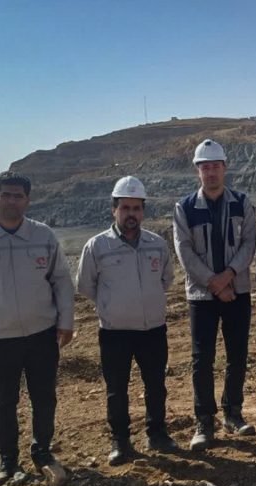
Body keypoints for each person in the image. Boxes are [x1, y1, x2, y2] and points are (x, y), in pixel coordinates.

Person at [0, 170, 74, 486]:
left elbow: (61, 280)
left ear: (27, 200)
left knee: (44, 398)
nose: (11, 201)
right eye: (5, 195)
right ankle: (7, 460)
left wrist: (66, 321)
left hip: (42, 334)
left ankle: (42, 451)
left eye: (18, 196)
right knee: (3, 401)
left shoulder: (43, 236)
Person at [77, 176, 177, 465]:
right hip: (115, 333)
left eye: (136, 208)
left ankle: (157, 434)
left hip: (152, 330)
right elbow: (86, 286)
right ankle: (120, 441)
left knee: (156, 385)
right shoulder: (97, 246)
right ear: (114, 210)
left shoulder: (157, 244)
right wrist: (113, 305)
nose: (131, 214)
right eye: (125, 208)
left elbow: (166, 279)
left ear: (143, 211)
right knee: (117, 389)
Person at [173, 139, 256, 450]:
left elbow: (249, 242)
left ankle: (233, 413)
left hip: (237, 291)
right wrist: (214, 283)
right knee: (202, 359)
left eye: (215, 166)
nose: (210, 172)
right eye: (205, 167)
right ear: (198, 170)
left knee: (237, 355)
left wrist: (228, 276)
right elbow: (184, 250)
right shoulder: (184, 208)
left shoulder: (242, 203)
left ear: (225, 168)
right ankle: (204, 420)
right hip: (202, 297)